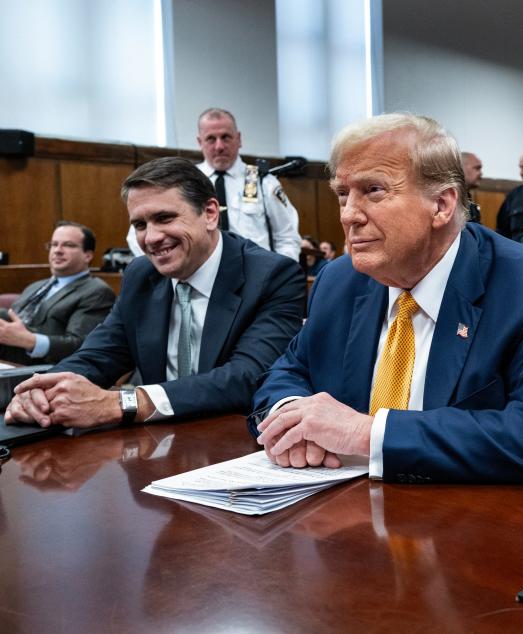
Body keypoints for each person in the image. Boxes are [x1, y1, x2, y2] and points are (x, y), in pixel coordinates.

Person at [251, 113, 523, 491]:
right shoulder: (339, 280)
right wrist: (291, 418)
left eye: (373, 191)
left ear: (442, 206)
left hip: (496, 522)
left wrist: (368, 434)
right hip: (356, 514)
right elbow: (286, 373)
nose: (348, 215)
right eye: (343, 194)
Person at [4, 157, 304, 429]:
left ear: (210, 213)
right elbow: (99, 354)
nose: (151, 238)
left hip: (234, 441)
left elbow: (248, 376)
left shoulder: (272, 276)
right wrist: (42, 390)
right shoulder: (141, 274)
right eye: (139, 224)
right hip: (154, 444)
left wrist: (124, 402)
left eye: (164, 218)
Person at [125, 108, 301, 262]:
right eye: (211, 139)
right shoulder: (181, 180)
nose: (219, 146)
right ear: (199, 142)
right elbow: (137, 237)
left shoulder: (263, 181)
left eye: (226, 137)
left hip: (257, 277)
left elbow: (287, 237)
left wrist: (276, 275)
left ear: (238, 139)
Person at [0, 221, 115, 365]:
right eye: (54, 244)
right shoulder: (35, 286)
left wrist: (30, 341)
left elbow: (80, 344)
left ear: (88, 255)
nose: (58, 250)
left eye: (68, 245)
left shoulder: (97, 291)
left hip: (42, 368)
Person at [460, 151, 483, 223]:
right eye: (477, 168)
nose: (481, 173)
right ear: (460, 168)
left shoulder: (467, 197)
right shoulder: (450, 199)